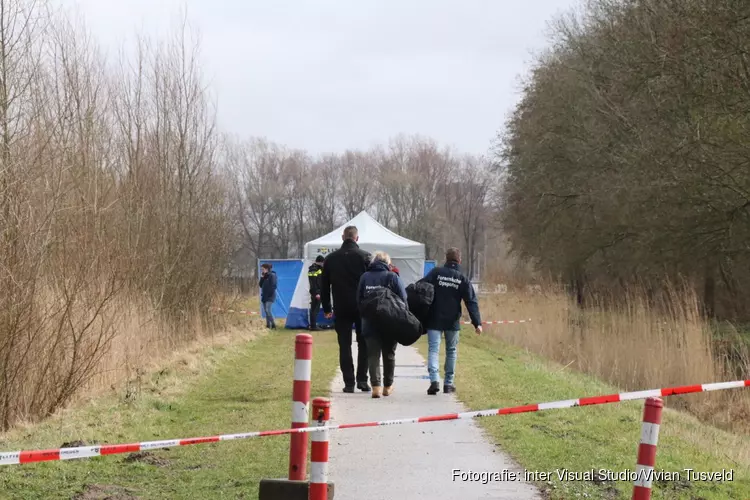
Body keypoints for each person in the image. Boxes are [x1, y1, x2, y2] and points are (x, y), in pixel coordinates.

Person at [422, 247, 482, 395]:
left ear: (446, 259)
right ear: (459, 260)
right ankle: (448, 383)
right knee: (451, 351)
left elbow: (421, 287)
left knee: (433, 350)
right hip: (452, 321)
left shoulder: (436, 273)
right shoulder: (462, 279)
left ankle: (434, 380)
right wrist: (477, 323)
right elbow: (471, 301)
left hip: (434, 319)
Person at [321, 225, 372, 393]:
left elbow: (324, 286)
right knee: (363, 344)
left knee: (345, 344)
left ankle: (349, 383)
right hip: (362, 307)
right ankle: (362, 380)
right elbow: (372, 284)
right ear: (357, 238)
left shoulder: (330, 259)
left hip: (341, 306)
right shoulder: (365, 257)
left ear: (343, 237)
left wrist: (327, 308)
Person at [357, 251, 407, 398]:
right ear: (387, 263)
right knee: (389, 354)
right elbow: (403, 299)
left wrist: (364, 316)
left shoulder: (365, 277)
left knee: (373, 355)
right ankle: (388, 386)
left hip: (370, 322)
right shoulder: (393, 277)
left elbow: (358, 299)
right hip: (390, 322)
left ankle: (376, 387)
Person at [307, 255, 325, 330]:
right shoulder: (315, 269)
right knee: (315, 309)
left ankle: (313, 325)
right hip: (316, 292)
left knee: (314, 309)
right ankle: (313, 326)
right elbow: (313, 283)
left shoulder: (315, 268)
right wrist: (316, 293)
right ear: (320, 262)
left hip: (316, 292)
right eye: (323, 262)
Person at [259, 263, 278, 329]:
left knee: (267, 310)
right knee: (266, 311)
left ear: (267, 269)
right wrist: (262, 277)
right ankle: (268, 325)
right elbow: (260, 285)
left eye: (263, 269)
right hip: (264, 296)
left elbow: (274, 286)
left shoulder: (272, 275)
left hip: (270, 296)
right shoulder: (264, 276)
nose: (262, 270)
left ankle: (273, 324)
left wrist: (269, 294)